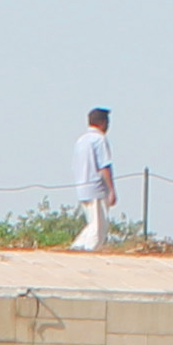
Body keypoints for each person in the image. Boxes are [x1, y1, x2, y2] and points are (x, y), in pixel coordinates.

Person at [72, 107, 115, 250]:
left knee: (92, 224)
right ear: (102, 123)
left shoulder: (81, 140)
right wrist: (111, 190)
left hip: (82, 186)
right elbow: (104, 166)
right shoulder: (100, 140)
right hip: (96, 188)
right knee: (99, 228)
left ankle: (77, 247)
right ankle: (84, 251)